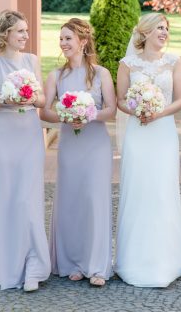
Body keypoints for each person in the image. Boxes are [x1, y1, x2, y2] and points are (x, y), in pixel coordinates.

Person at [114, 13, 181, 287]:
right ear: (145, 33)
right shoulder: (127, 64)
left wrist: (157, 112)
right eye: (159, 28)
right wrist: (138, 110)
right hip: (137, 132)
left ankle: (167, 257)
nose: (164, 32)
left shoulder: (173, 62)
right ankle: (134, 257)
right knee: (138, 188)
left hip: (163, 132)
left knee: (162, 189)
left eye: (166, 28)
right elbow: (120, 100)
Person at [0, 10, 50, 291]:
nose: (25, 36)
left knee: (28, 200)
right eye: (20, 31)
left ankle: (34, 265)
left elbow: (42, 99)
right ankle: (8, 264)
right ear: (5, 34)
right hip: (4, 136)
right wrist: (6, 98)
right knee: (7, 197)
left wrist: (29, 96)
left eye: (26, 31)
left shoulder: (32, 61)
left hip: (29, 134)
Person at [40, 18, 116, 286]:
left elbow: (111, 110)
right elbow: (44, 111)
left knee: (94, 200)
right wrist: (66, 114)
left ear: (83, 41)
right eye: (61, 39)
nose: (63, 43)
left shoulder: (101, 74)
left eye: (68, 38)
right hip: (70, 145)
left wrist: (88, 115)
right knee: (71, 200)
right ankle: (73, 262)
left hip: (96, 146)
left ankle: (96, 266)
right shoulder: (56, 76)